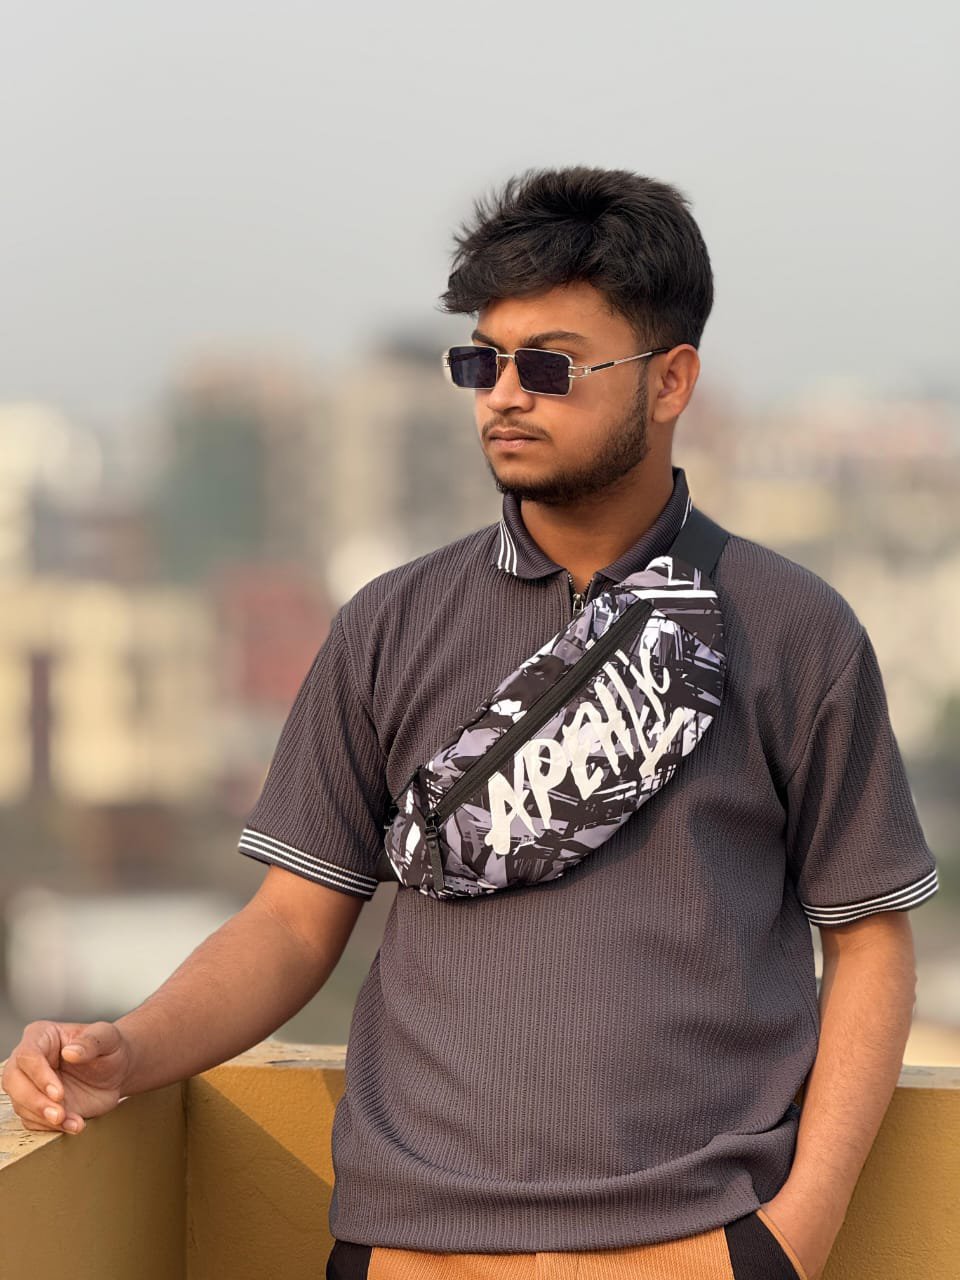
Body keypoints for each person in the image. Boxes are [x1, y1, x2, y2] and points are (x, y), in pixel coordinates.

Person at [2, 167, 938, 1280]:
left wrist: (792, 1238)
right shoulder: (391, 625)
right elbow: (293, 922)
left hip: (696, 1244)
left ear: (672, 379)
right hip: (414, 1249)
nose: (504, 397)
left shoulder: (790, 630)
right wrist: (128, 1048)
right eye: (482, 362)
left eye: (550, 365)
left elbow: (869, 939)